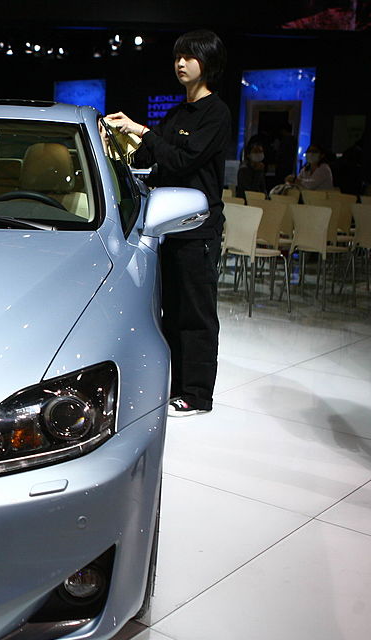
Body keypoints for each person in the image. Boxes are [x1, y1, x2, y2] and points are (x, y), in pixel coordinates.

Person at [105, 29, 230, 418]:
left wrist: (142, 131)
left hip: (198, 229)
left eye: (189, 57)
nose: (180, 63)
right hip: (165, 227)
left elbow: (180, 161)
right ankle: (176, 389)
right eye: (177, 56)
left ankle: (197, 394)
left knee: (195, 315)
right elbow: (156, 158)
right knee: (171, 314)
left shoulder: (217, 114)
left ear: (206, 64)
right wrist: (122, 140)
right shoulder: (177, 113)